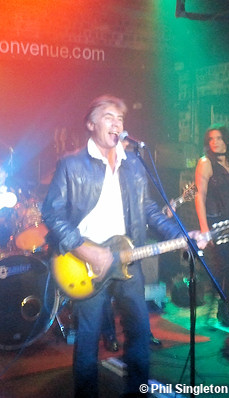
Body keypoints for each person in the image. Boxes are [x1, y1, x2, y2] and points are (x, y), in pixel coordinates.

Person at [41, 95, 197, 397]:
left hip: (127, 260)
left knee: (139, 333)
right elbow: (51, 213)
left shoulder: (134, 164)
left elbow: (149, 210)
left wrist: (182, 234)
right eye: (109, 116)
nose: (117, 123)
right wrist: (85, 250)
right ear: (91, 124)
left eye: (121, 118)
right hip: (85, 263)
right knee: (88, 339)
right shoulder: (71, 165)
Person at [194, 124, 229, 329]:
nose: (215, 142)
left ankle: (224, 310)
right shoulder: (205, 163)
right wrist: (204, 228)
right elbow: (199, 195)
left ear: (226, 140)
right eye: (211, 139)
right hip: (215, 221)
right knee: (219, 267)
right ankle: (213, 307)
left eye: (219, 138)